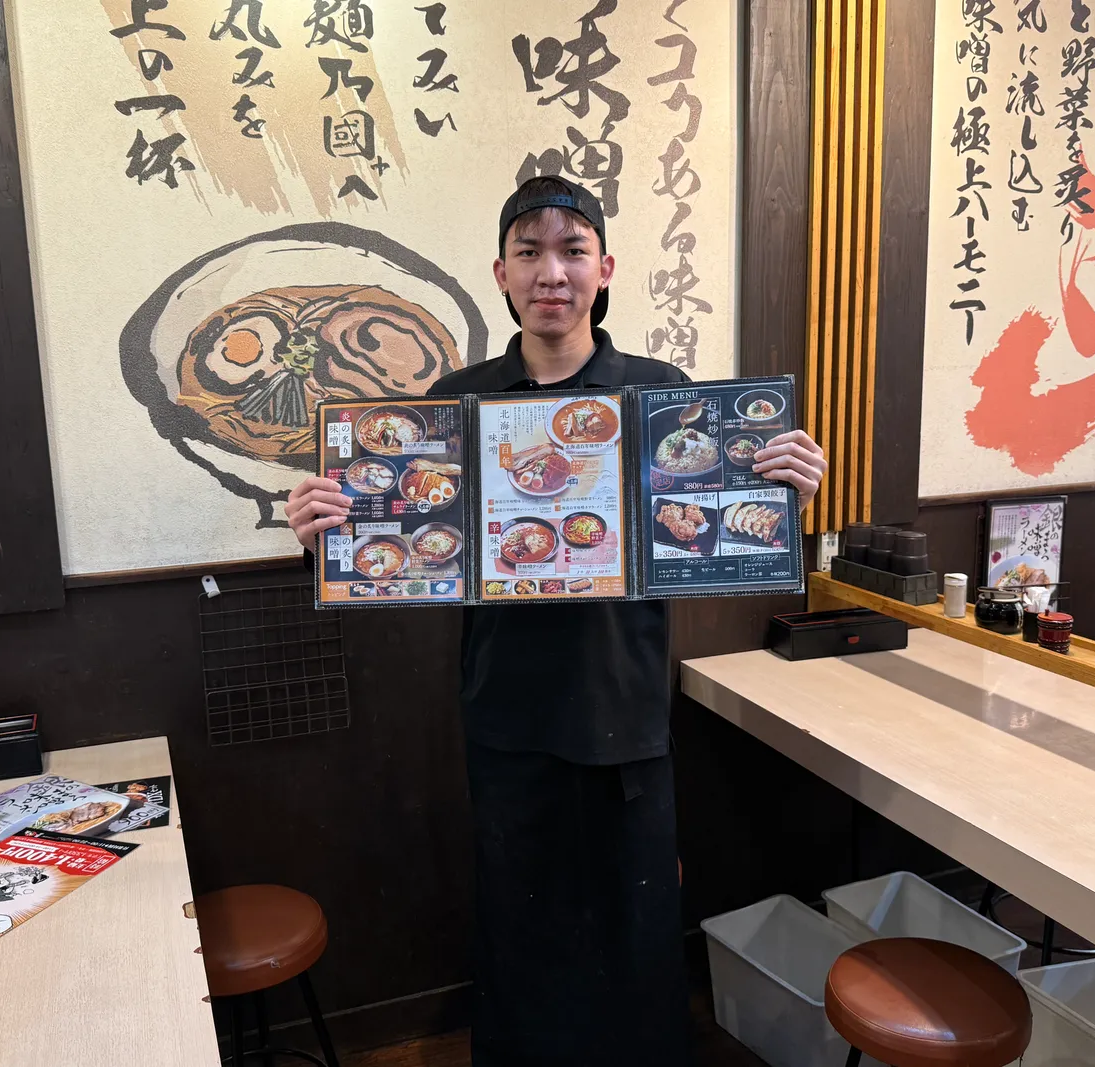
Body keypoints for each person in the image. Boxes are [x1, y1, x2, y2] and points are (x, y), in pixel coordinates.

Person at [288, 176, 827, 1065]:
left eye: (572, 251)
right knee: (522, 927)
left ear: (605, 269)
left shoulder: (661, 397)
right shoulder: (454, 402)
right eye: (530, 253)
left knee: (638, 927)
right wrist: (323, 530)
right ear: (500, 273)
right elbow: (401, 534)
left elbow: (721, 529)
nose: (552, 272)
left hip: (626, 713)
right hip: (508, 716)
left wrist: (786, 484)